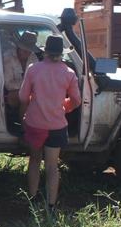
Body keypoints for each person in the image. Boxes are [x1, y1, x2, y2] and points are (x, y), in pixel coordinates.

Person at [19, 34, 81, 212]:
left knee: (34, 160)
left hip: (35, 124)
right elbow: (76, 100)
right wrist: (64, 107)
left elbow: (23, 97)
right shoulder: (69, 73)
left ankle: (32, 199)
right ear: (61, 53)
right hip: (57, 126)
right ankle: (51, 205)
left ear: (45, 51)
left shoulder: (33, 69)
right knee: (52, 167)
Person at [3, 31, 40, 108]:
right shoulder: (8, 57)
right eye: (24, 49)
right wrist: (28, 85)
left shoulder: (33, 57)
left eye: (29, 50)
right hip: (14, 95)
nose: (27, 52)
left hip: (30, 92)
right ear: (19, 47)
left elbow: (38, 80)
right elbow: (8, 85)